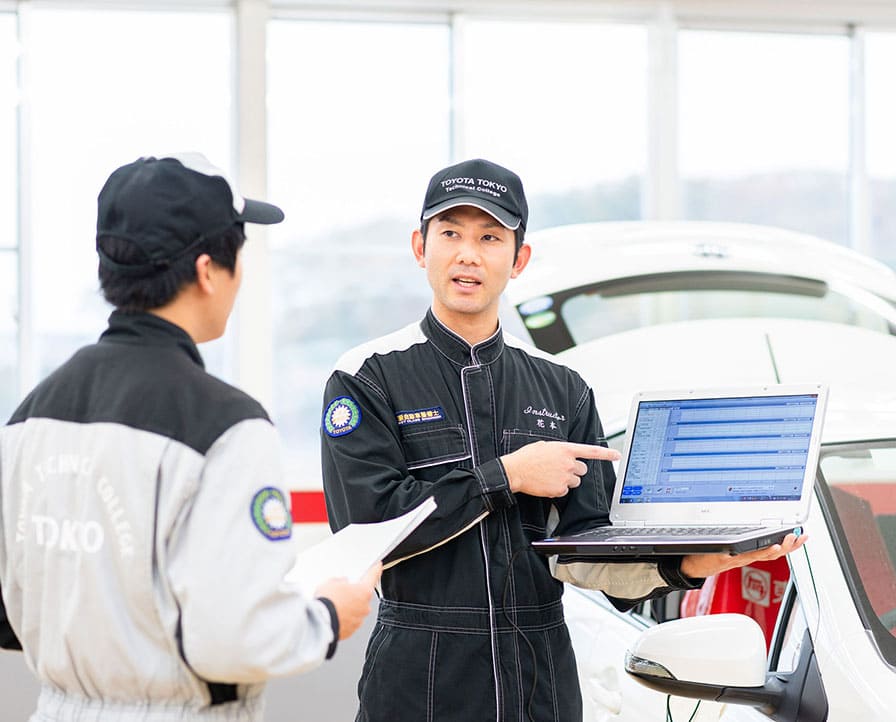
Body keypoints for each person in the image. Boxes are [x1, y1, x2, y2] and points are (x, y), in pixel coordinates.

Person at [320, 158, 805, 721]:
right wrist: (509, 475)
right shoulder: (367, 377)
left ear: (519, 258)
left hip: (540, 675)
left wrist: (696, 563)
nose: (468, 254)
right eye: (450, 233)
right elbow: (367, 529)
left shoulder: (563, 389)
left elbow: (588, 554)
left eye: (490, 237)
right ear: (419, 246)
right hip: (419, 673)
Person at [0, 153, 380, 721]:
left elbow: (11, 613)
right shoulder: (225, 426)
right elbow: (236, 638)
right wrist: (328, 614)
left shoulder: (32, 414)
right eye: (239, 255)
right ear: (208, 270)